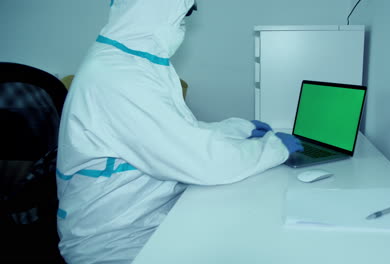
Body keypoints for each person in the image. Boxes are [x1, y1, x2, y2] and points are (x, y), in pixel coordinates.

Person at [56, 0, 303, 263]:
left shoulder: (132, 62)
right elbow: (203, 161)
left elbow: (177, 131)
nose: (182, 25)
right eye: (180, 17)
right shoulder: (117, 78)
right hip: (112, 244)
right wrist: (275, 148)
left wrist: (240, 129)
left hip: (143, 222)